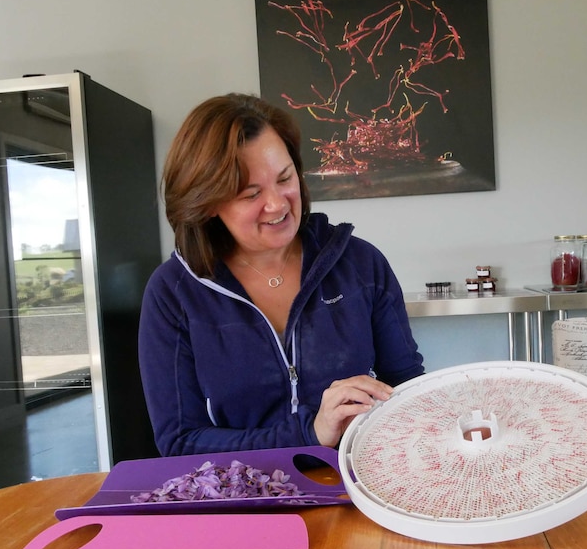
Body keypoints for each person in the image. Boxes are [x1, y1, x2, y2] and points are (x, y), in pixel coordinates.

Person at [138, 93, 424, 456]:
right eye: (250, 194)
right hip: (244, 503)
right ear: (208, 204)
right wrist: (310, 432)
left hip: (358, 485)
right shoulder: (173, 293)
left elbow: (407, 388)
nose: (277, 204)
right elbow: (179, 441)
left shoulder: (360, 264)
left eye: (285, 177)